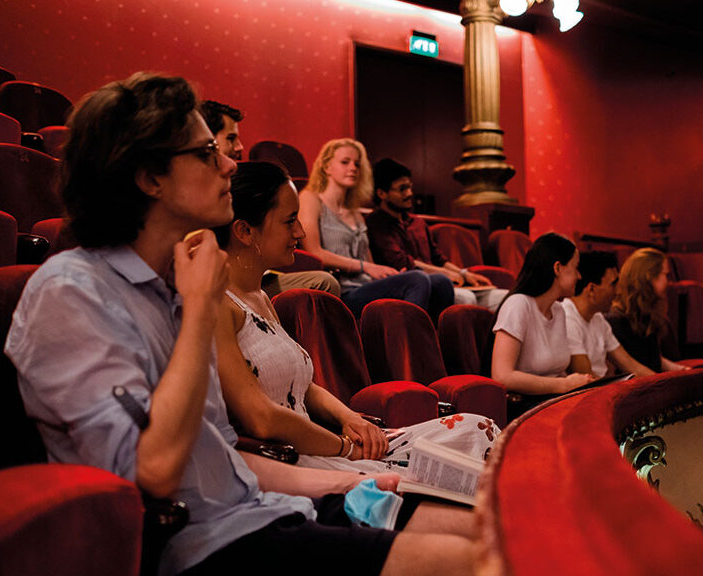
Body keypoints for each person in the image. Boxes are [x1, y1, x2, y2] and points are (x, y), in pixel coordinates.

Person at [4, 73, 475, 576]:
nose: (230, 163)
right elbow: (155, 472)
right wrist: (200, 305)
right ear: (150, 177)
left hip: (266, 509)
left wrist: (351, 480)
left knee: (489, 525)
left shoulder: (175, 285)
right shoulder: (72, 292)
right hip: (200, 546)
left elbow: (223, 460)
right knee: (480, 562)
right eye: (207, 152)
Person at [213, 161, 499, 474]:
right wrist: (346, 447)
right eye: (290, 221)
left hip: (332, 445)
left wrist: (349, 417)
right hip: (297, 460)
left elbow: (302, 384)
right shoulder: (219, 306)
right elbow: (263, 418)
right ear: (244, 230)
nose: (301, 232)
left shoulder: (262, 299)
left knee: (476, 429)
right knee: (459, 473)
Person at [200, 99, 341, 298]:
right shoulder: (196, 194)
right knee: (323, 283)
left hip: (254, 273)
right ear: (206, 140)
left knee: (323, 281)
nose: (240, 147)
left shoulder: (233, 184)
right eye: (231, 138)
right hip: (219, 283)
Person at [298, 138, 453, 318]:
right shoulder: (310, 199)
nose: (353, 168)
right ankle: (407, 343)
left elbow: (369, 262)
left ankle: (428, 341)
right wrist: (366, 267)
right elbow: (314, 252)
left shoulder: (355, 213)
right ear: (326, 167)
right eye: (345, 162)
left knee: (441, 281)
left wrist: (387, 274)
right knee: (417, 279)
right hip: (342, 290)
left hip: (365, 284)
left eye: (357, 164)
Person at [366, 158, 507, 312]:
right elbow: (401, 262)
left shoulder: (417, 223)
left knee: (503, 297)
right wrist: (446, 274)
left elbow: (438, 257)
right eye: (402, 189)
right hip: (417, 287)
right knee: (467, 299)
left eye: (410, 187)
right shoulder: (375, 223)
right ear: (381, 193)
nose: (410, 193)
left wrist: (464, 273)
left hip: (444, 280)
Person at [491, 233, 596, 395]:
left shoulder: (558, 310)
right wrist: (563, 385)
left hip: (554, 400)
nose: (579, 276)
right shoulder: (518, 304)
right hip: (524, 406)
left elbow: (557, 373)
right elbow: (502, 376)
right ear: (557, 268)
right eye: (576, 268)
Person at [562, 251, 655, 378]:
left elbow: (631, 365)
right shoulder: (567, 317)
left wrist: (665, 385)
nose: (618, 291)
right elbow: (588, 379)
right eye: (613, 284)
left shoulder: (597, 318)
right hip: (588, 393)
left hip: (603, 389)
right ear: (592, 289)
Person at [604, 247, 690, 373]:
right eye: (666, 275)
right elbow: (631, 371)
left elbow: (654, 360)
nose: (669, 282)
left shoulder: (647, 314)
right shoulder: (615, 321)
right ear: (649, 277)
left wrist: (683, 371)